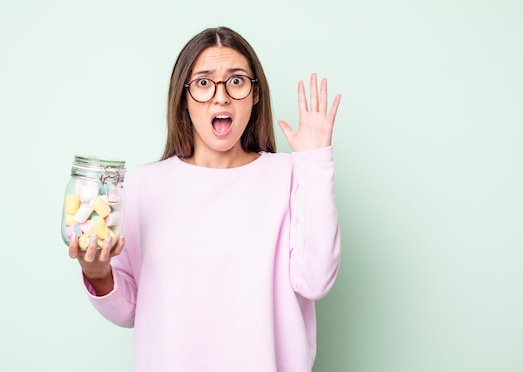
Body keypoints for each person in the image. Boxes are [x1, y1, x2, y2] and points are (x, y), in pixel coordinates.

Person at [68, 26, 342, 372]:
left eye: (237, 81)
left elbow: (316, 280)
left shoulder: (290, 174)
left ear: (255, 95)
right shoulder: (144, 186)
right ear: (183, 97)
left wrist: (315, 162)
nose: (221, 96)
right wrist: (97, 273)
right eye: (203, 82)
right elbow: (130, 309)